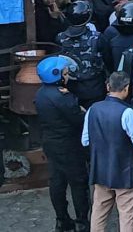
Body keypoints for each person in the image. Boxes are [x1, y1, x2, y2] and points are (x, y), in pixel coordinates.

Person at [82, 72, 133, 232]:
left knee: (99, 212)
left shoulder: (93, 109)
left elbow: (85, 140)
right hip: (125, 172)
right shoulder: (127, 112)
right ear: (126, 89)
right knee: (127, 215)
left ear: (107, 87)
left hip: (100, 170)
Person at [35, 55, 90, 232]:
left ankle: (61, 220)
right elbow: (79, 119)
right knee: (78, 182)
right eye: (65, 72)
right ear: (57, 75)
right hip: (70, 145)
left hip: (50, 143)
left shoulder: (40, 94)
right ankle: (82, 221)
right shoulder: (63, 97)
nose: (68, 75)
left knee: (57, 182)